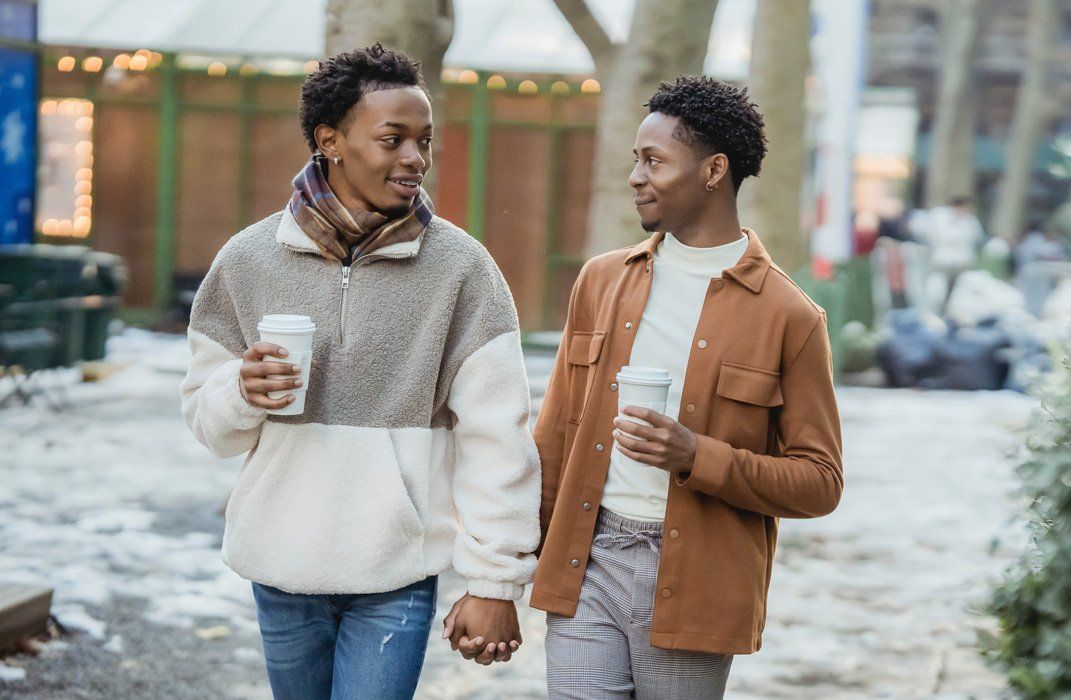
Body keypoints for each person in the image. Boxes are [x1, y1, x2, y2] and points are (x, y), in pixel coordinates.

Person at [179, 44, 539, 699]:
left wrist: (495, 581)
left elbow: (498, 437)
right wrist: (239, 392)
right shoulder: (247, 262)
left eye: (424, 141)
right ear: (331, 141)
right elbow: (210, 427)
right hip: (281, 568)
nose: (415, 159)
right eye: (392, 139)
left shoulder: (462, 271)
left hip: (396, 573)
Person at [530, 76, 845, 700]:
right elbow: (554, 438)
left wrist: (695, 456)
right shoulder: (600, 281)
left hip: (698, 582)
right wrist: (502, 576)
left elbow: (820, 482)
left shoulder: (791, 317)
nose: (636, 176)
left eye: (655, 161)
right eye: (635, 160)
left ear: (713, 170)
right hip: (583, 559)